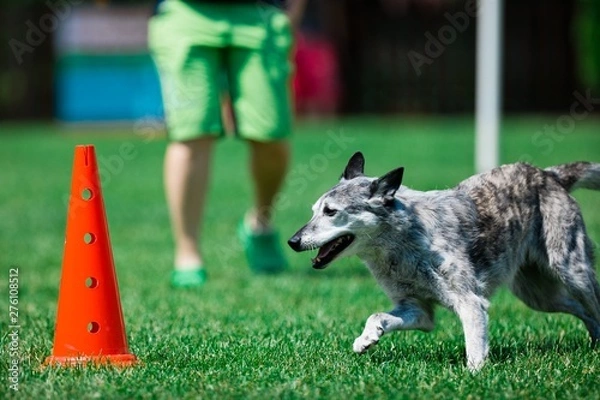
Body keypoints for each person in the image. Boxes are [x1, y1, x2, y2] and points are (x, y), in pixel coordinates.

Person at [149, 0, 307, 287]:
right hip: (185, 13)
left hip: (261, 13)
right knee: (191, 132)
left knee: (270, 135)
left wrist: (292, 12)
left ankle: (260, 222)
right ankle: (187, 252)